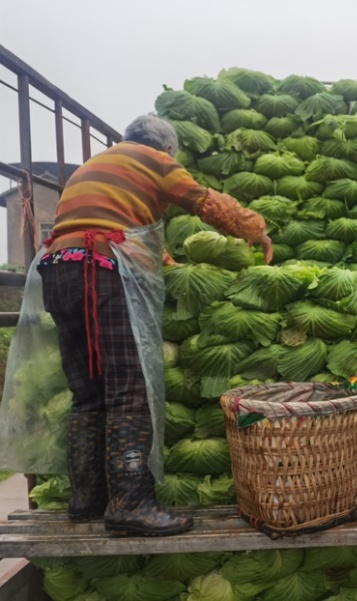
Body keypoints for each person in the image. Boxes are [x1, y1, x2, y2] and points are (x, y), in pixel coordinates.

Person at [36, 115, 272, 536]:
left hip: (59, 270)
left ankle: (85, 499)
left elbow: (131, 232)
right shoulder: (154, 161)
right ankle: (131, 504)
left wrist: (169, 264)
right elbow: (206, 202)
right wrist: (255, 230)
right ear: (167, 149)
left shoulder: (97, 164)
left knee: (88, 395)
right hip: (103, 270)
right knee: (129, 388)